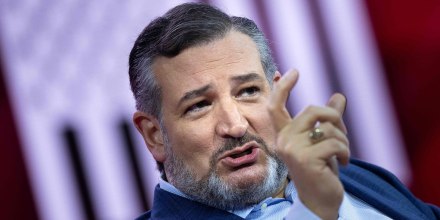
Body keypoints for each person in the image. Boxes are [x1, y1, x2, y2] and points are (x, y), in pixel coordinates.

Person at [128, 3, 440, 220]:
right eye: (199, 105)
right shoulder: (321, 196)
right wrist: (314, 211)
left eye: (248, 91)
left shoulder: (358, 177)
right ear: (154, 135)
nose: (235, 126)